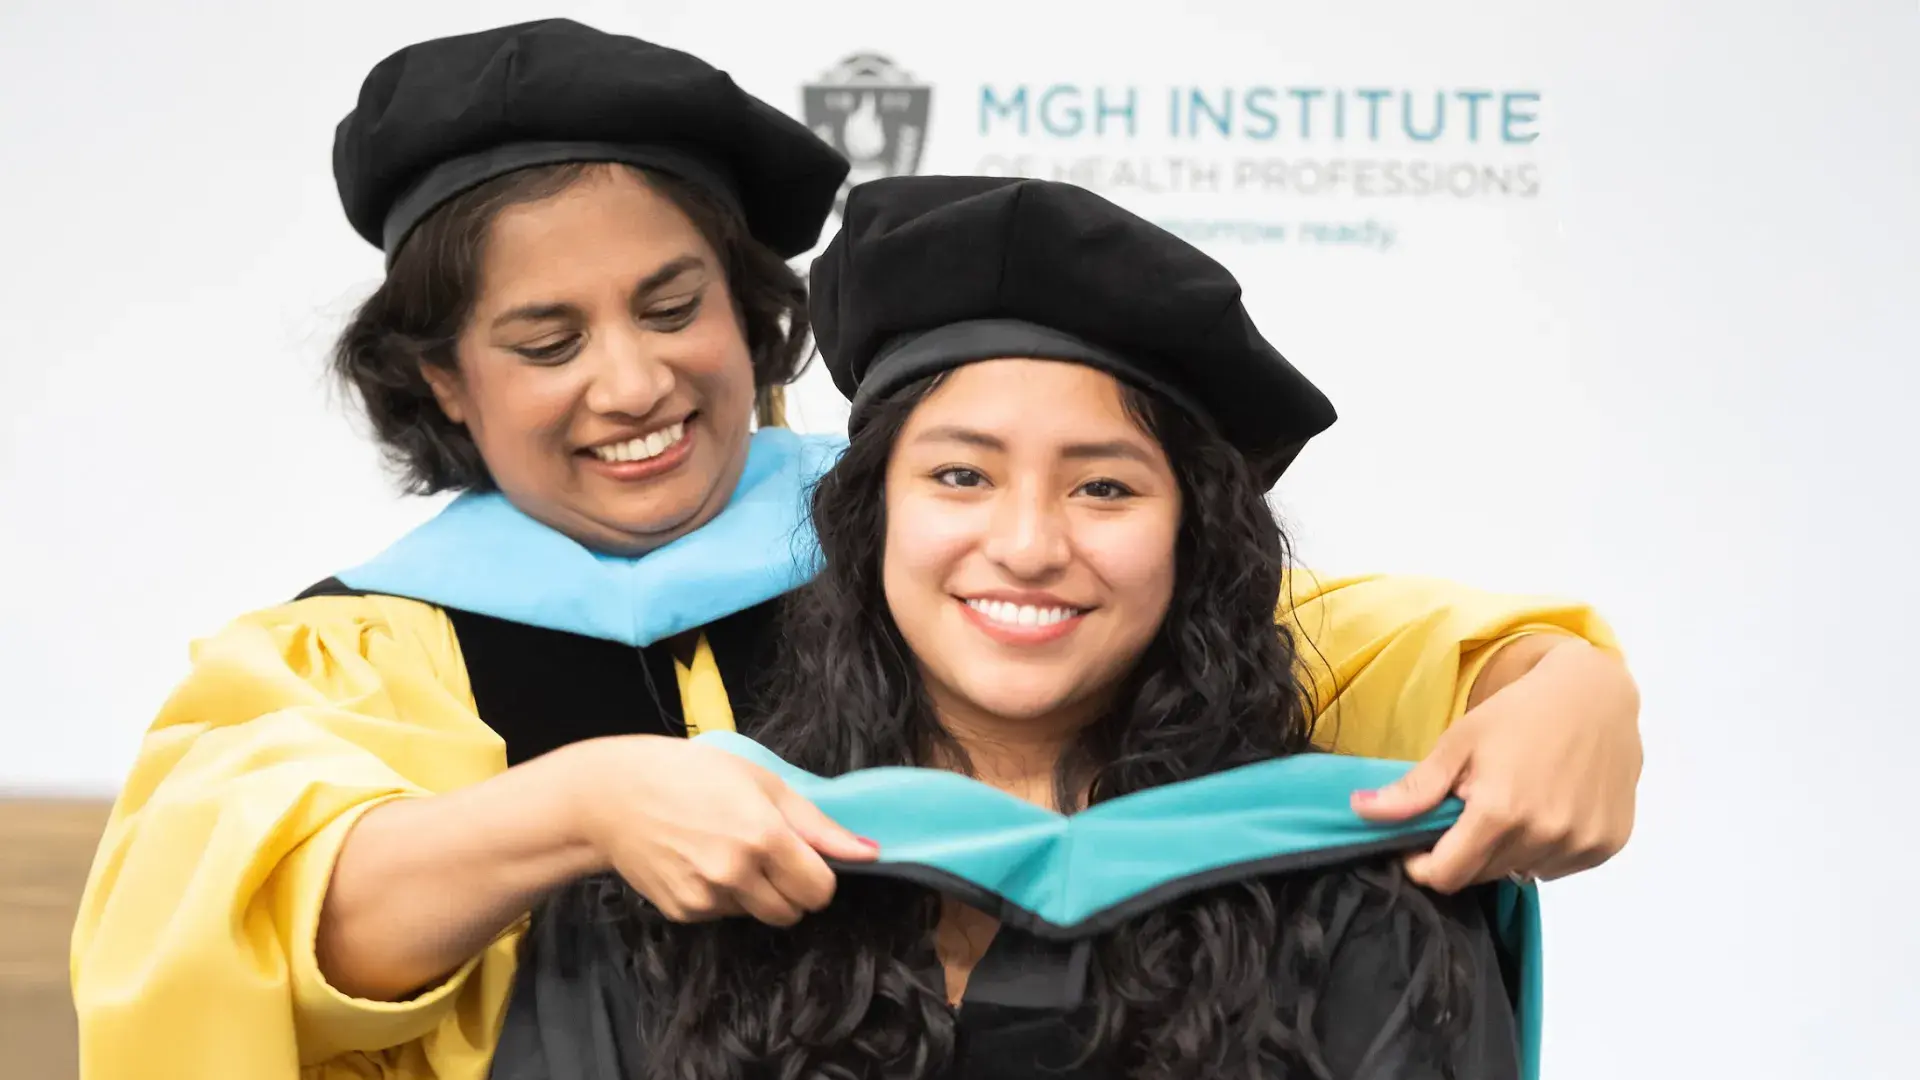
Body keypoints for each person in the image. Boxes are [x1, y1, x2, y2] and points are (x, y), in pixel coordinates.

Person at [68, 18, 1637, 1080]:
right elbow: (232, 936)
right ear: (444, 383)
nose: (631, 383)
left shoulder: (928, 547)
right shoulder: (348, 656)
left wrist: (1557, 676)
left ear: (754, 317)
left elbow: (1311, 636)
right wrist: (581, 802)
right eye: (545, 339)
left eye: (673, 309)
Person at [489, 174, 1531, 1080]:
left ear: (1191, 540)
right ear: (873, 517)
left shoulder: (1351, 909)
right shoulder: (676, 886)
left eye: (1106, 488)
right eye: (960, 475)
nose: (1028, 543)